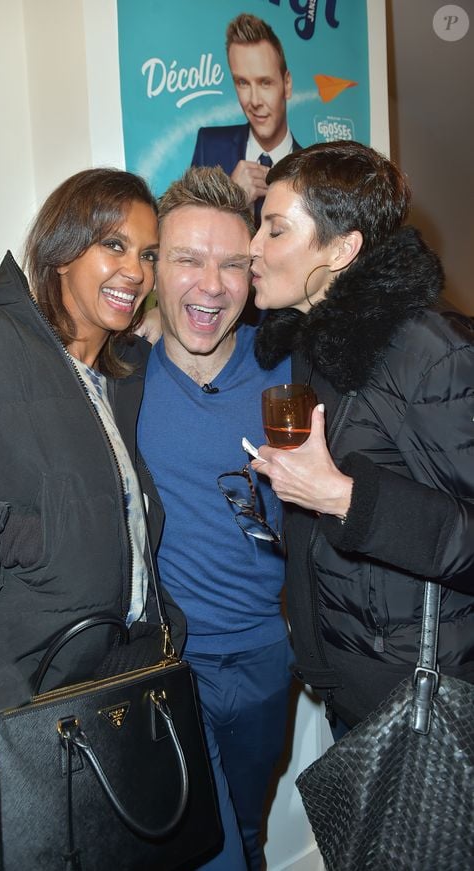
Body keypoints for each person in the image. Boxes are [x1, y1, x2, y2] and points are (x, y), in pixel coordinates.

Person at [0, 168, 186, 871]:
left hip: (100, 708)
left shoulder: (118, 378)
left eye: (147, 254)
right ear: (60, 249)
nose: (135, 270)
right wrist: (10, 534)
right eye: (113, 244)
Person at [248, 139, 474, 733]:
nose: (253, 249)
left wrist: (344, 499)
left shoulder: (433, 352)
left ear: (342, 250)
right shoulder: (314, 340)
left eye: (274, 230)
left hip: (423, 703)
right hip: (350, 683)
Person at [137, 166, 293, 871]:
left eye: (232, 263)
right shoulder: (121, 384)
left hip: (269, 657)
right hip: (172, 665)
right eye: (188, 259)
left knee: (250, 829)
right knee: (212, 851)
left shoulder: (287, 373)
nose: (211, 284)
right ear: (155, 268)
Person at [191, 13, 302, 226]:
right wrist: (231, 199)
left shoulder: (310, 171)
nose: (254, 101)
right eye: (243, 82)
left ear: (287, 84)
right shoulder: (209, 145)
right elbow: (185, 237)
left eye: (265, 83)